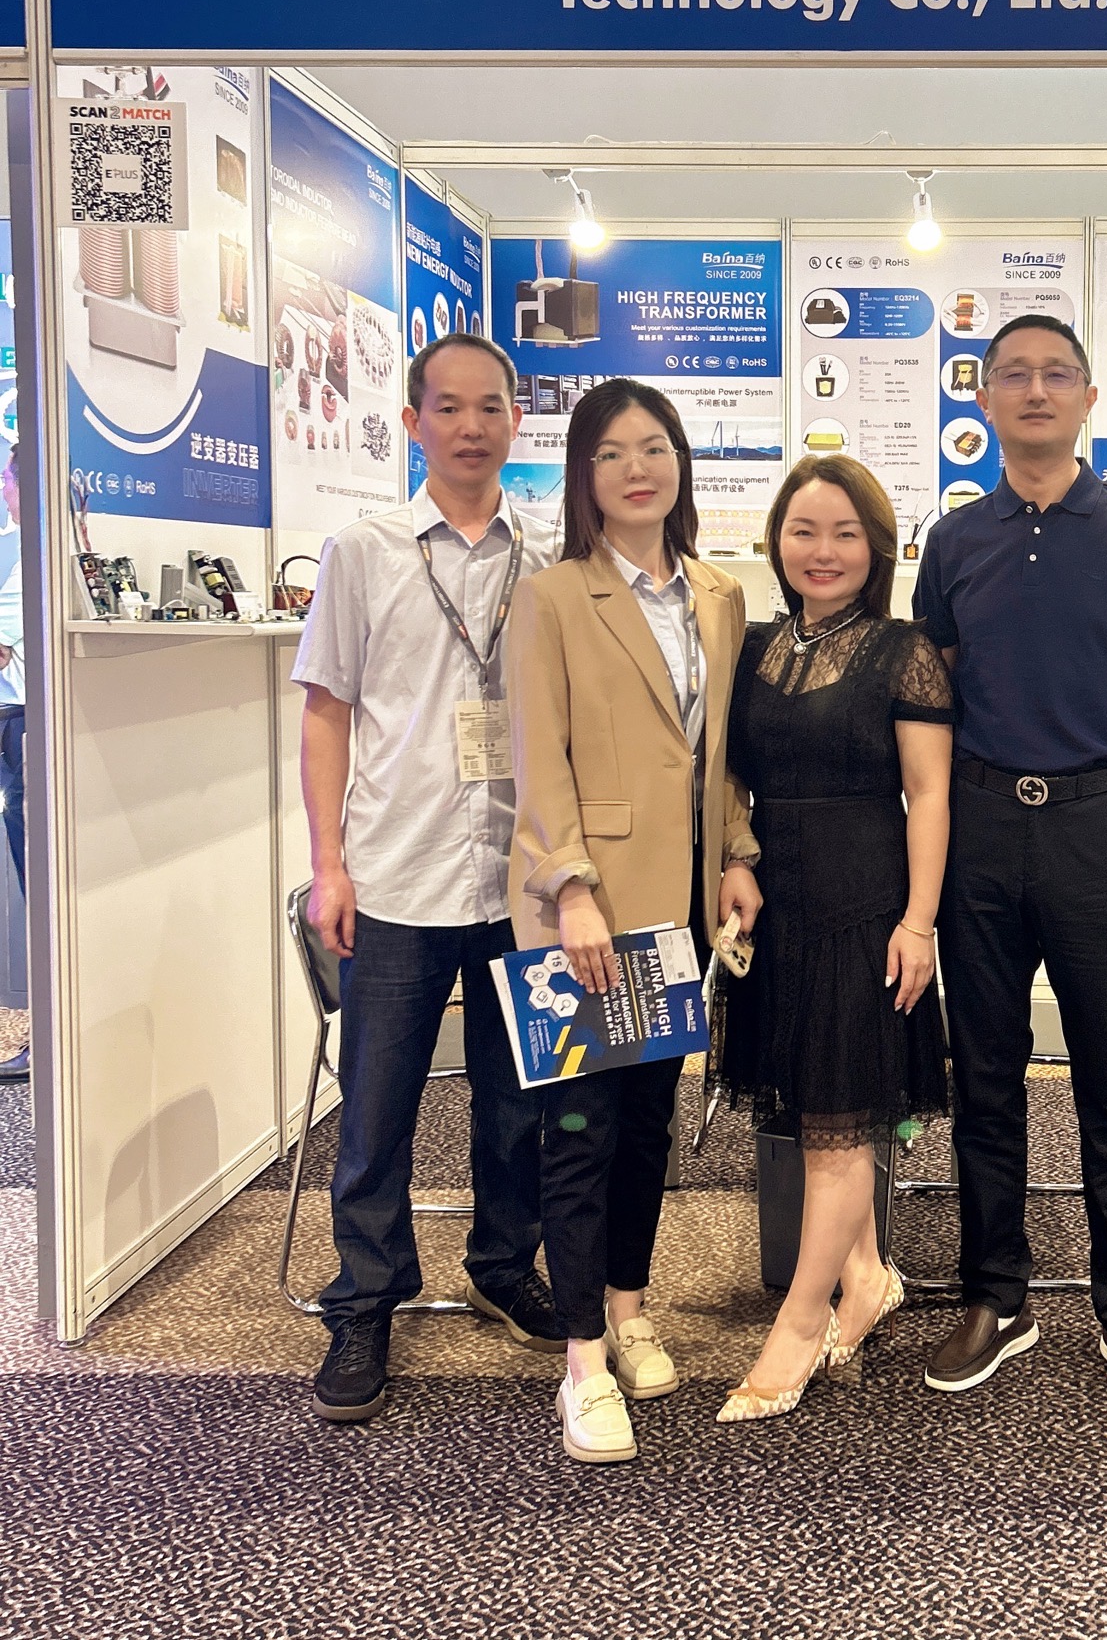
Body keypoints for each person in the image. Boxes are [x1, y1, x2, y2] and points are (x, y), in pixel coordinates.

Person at [912, 314, 1107, 1414]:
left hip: (1098, 824)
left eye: (1056, 375)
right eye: (1014, 375)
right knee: (984, 1073)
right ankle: (996, 1293)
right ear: (983, 398)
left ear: (1089, 397)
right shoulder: (954, 541)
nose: (1035, 391)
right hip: (982, 826)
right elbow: (933, 700)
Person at [294, 333, 560, 1424]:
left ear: (514, 420)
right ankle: (365, 1298)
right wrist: (328, 864)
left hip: (518, 883)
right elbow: (325, 711)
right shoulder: (362, 551)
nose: (469, 426)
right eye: (447, 407)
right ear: (413, 423)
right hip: (397, 876)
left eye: (489, 406)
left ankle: (503, 1266)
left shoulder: (546, 554)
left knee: (519, 1102)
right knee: (376, 1110)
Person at [506, 378, 761, 1464]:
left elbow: (722, 753)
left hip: (681, 909)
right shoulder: (552, 597)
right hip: (586, 910)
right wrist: (568, 888)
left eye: (653, 446)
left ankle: (626, 1307)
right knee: (579, 1131)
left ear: (681, 461)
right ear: (584, 475)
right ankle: (580, 1362)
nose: (635, 468)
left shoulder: (719, 594)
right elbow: (537, 757)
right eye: (609, 453)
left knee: (649, 1123)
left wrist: (737, 853)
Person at [713, 454, 954, 1423]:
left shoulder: (905, 650)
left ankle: (800, 1322)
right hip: (776, 897)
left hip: (864, 900)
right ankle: (867, 1275)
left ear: (876, 547)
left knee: (840, 1119)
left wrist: (918, 922)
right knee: (814, 1100)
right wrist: (734, 856)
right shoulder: (755, 647)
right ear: (776, 540)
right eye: (804, 531)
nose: (823, 551)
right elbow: (726, 772)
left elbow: (928, 794)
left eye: (845, 533)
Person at [0, 447, 26, 1085]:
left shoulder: (32, 555)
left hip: (23, 722)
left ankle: (46, 1041)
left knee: (38, 885)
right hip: (19, 720)